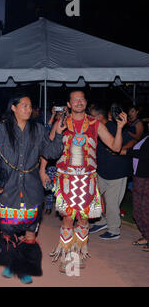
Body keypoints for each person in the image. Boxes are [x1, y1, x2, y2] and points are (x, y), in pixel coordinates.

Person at [0, 94, 65, 284]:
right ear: (13, 107)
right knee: (9, 230)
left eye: (30, 106)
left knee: (30, 230)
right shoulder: (1, 130)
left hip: (31, 187)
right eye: (24, 105)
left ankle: (24, 268)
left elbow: (52, 152)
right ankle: (11, 263)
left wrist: (59, 133)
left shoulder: (38, 129)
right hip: (9, 185)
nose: (29, 109)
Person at [49, 91, 127, 273]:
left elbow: (115, 147)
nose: (78, 102)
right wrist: (42, 170)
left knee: (83, 220)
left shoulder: (95, 124)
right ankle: (67, 258)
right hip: (66, 179)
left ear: (85, 102)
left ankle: (77, 255)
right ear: (68, 104)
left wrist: (120, 127)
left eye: (81, 99)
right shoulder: (61, 123)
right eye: (74, 100)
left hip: (87, 180)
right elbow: (50, 148)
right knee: (68, 218)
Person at [89, 105, 133, 239]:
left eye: (90, 115)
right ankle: (102, 221)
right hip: (102, 171)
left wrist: (119, 149)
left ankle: (114, 230)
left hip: (117, 172)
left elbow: (132, 141)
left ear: (97, 117)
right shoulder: (95, 128)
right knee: (93, 197)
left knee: (112, 203)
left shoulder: (113, 126)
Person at [122, 124, 149, 252]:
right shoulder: (145, 137)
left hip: (146, 179)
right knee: (138, 211)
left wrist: (125, 151)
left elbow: (144, 154)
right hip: (139, 177)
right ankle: (146, 236)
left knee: (145, 211)